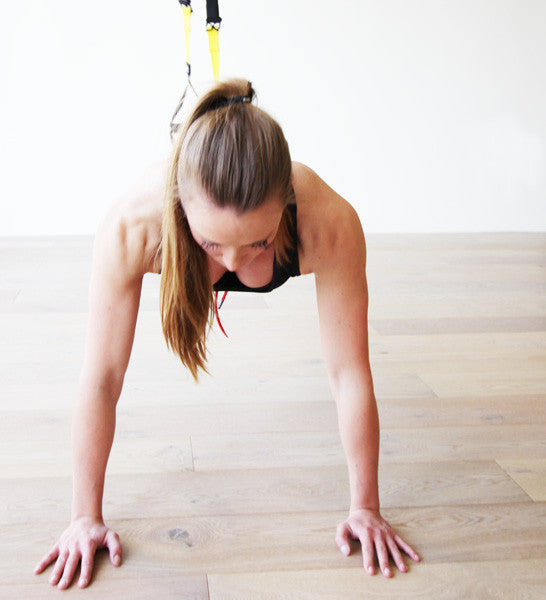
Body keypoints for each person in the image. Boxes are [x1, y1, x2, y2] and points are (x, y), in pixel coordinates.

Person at [34, 78, 421, 589]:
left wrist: (365, 507)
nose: (236, 262)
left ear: (286, 206)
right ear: (180, 208)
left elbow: (349, 373)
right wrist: (84, 516)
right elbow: (102, 377)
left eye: (258, 243)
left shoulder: (328, 223)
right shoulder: (134, 228)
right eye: (212, 243)